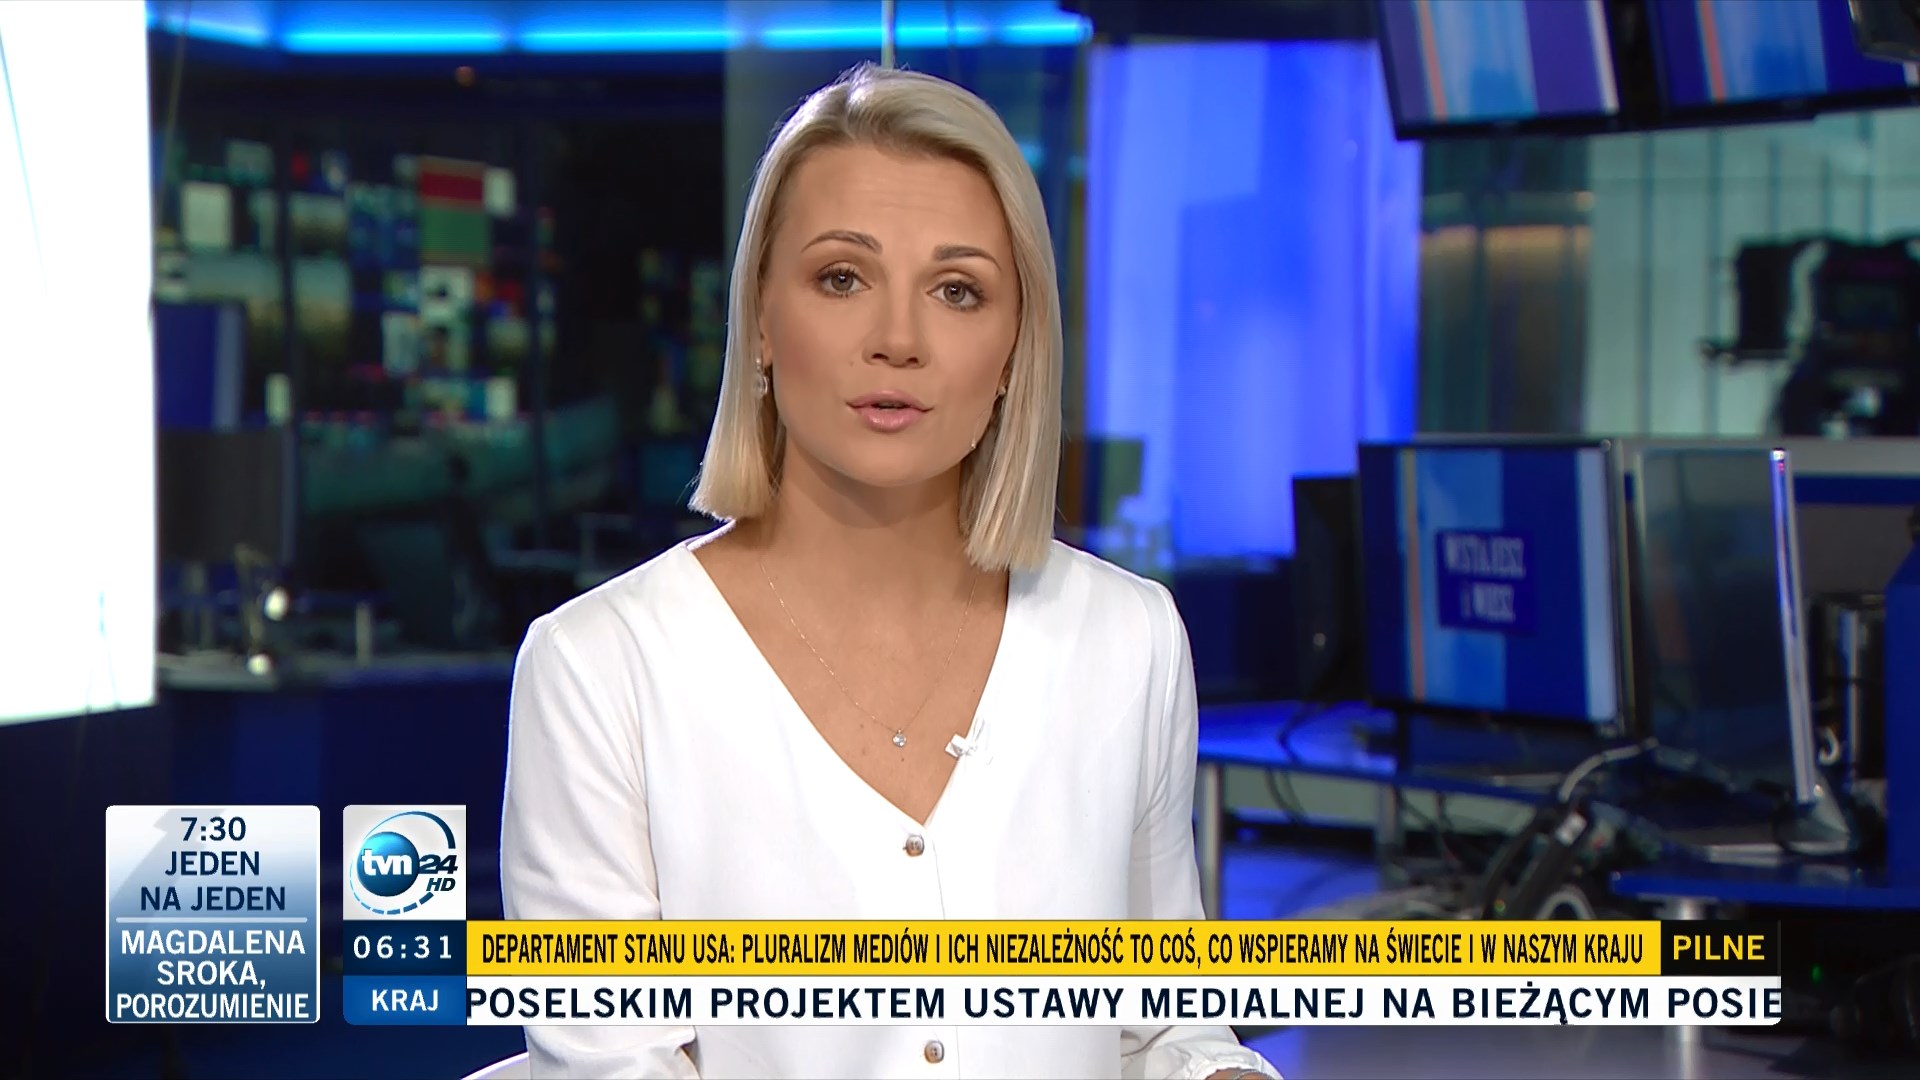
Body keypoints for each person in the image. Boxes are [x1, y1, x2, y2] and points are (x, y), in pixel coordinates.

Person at [501, 64, 1279, 1080]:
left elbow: (1161, 1026)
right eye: (842, 278)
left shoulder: (1128, 639)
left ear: (1014, 349)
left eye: (957, 292)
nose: (898, 341)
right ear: (763, 321)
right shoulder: (599, 668)